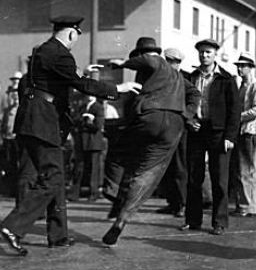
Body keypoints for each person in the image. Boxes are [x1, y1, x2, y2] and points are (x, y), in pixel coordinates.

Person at [0, 16, 139, 255]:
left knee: (55, 178)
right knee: (53, 176)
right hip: (43, 124)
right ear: (72, 34)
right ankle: (13, 227)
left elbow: (55, 81)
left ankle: (58, 236)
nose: (74, 44)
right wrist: (117, 89)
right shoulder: (58, 53)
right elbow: (80, 85)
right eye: (76, 39)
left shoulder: (43, 52)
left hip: (32, 123)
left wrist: (80, 73)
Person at [101, 38, 187, 245]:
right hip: (174, 125)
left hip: (150, 119)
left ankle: (114, 194)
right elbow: (194, 94)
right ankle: (122, 219)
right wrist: (188, 115)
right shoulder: (177, 76)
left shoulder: (156, 63)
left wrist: (121, 64)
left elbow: (150, 60)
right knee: (147, 175)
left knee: (118, 153)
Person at [181, 38, 241, 235]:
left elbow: (235, 111)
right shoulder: (191, 77)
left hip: (219, 133)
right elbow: (184, 103)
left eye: (208, 52)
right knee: (193, 177)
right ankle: (193, 220)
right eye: (201, 52)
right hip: (197, 130)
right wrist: (189, 121)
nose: (204, 56)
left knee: (219, 179)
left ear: (215, 54)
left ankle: (220, 222)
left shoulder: (226, 79)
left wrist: (230, 137)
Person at [157, 47, 201, 217]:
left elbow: (194, 96)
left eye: (171, 62)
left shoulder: (183, 78)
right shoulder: (162, 78)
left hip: (179, 128)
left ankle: (182, 203)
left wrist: (186, 116)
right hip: (164, 127)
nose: (168, 65)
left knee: (180, 167)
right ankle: (172, 202)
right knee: (167, 166)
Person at [230, 53, 256, 217]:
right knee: (242, 169)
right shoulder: (243, 85)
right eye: (238, 65)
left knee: (248, 169)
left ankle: (248, 206)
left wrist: (237, 116)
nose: (239, 68)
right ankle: (245, 204)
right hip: (243, 131)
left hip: (250, 132)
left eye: (243, 66)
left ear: (251, 68)